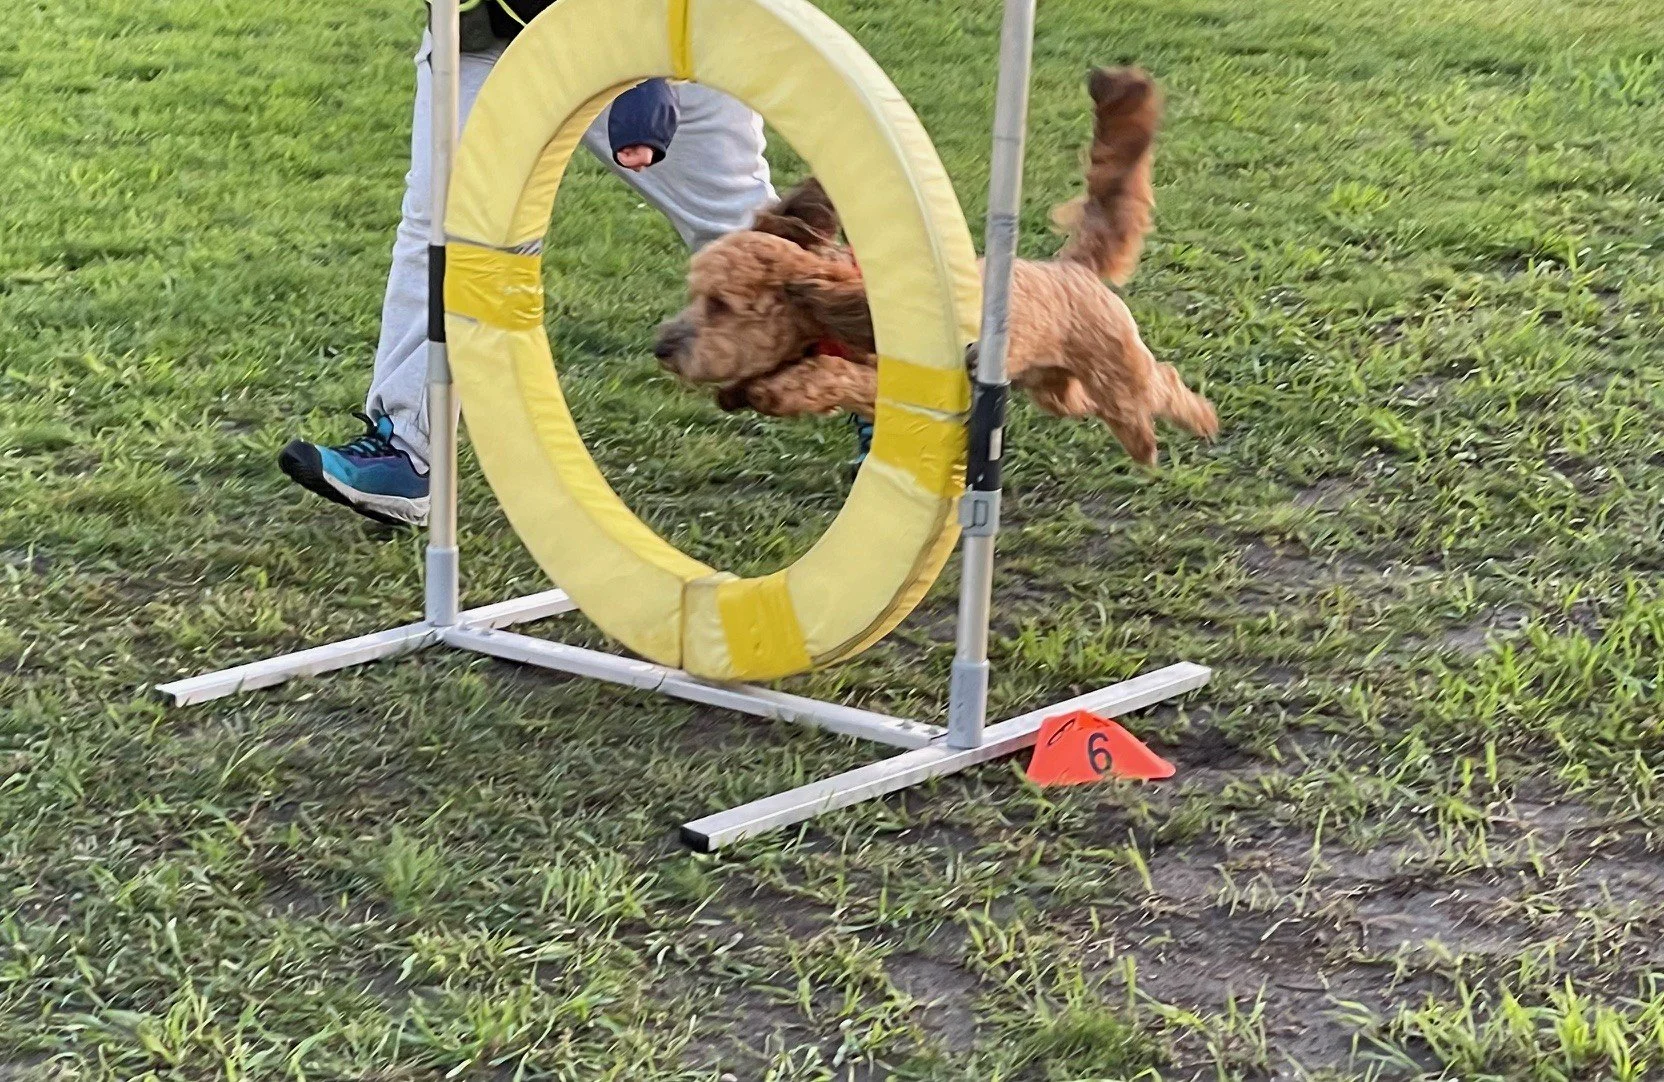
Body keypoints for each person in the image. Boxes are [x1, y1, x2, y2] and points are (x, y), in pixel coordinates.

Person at [279, 0, 787, 527]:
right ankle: (405, 453)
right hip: (491, 34)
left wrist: (648, 67)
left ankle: (871, 388)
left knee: (746, 233)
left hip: (654, 27)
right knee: (445, 221)